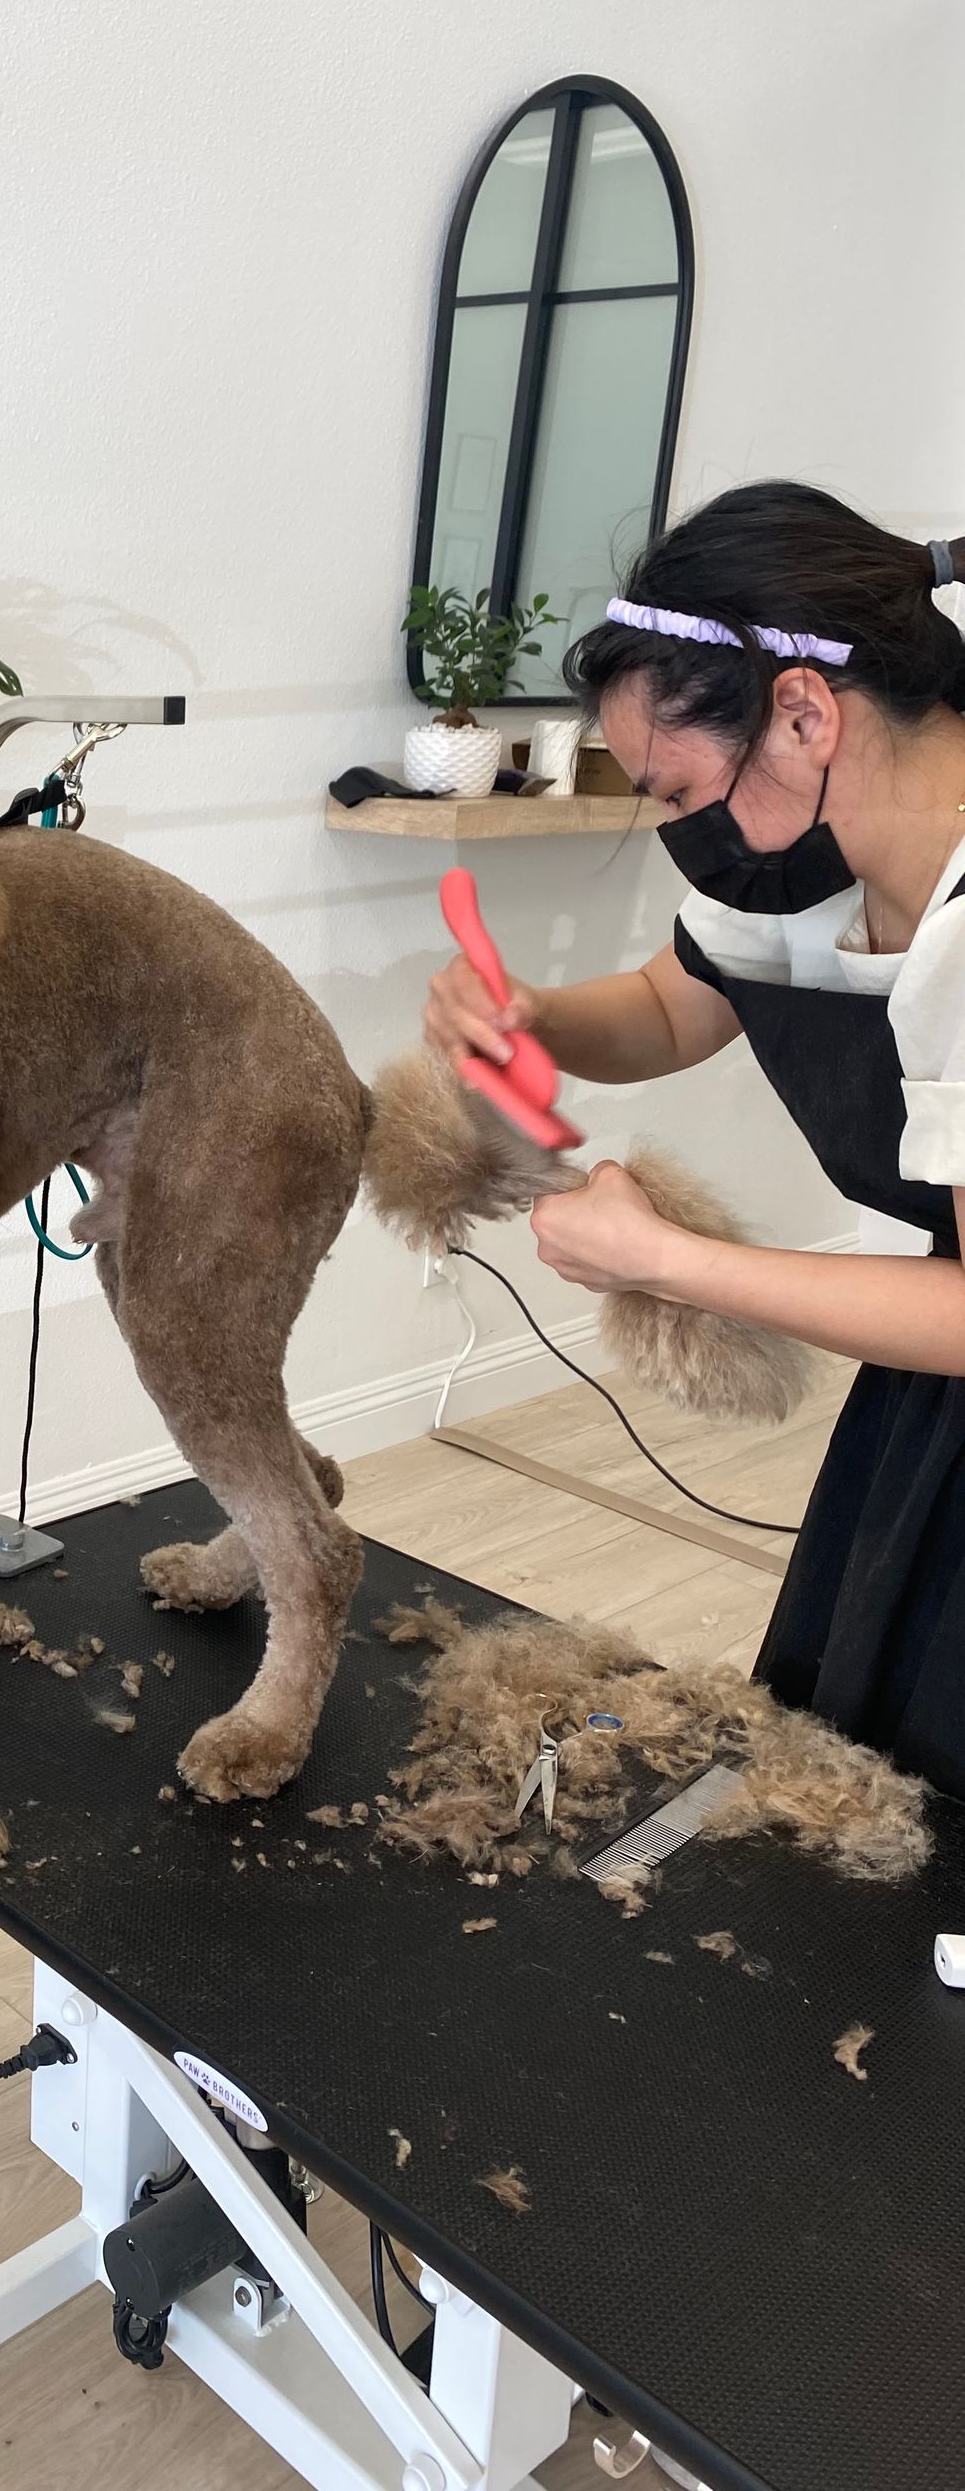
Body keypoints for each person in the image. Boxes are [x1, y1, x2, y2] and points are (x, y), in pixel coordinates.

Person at [423, 481, 965, 1797]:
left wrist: (667, 1263)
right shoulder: (815, 855)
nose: (679, 835)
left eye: (677, 791)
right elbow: (674, 1010)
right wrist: (537, 1018)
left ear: (803, 711)